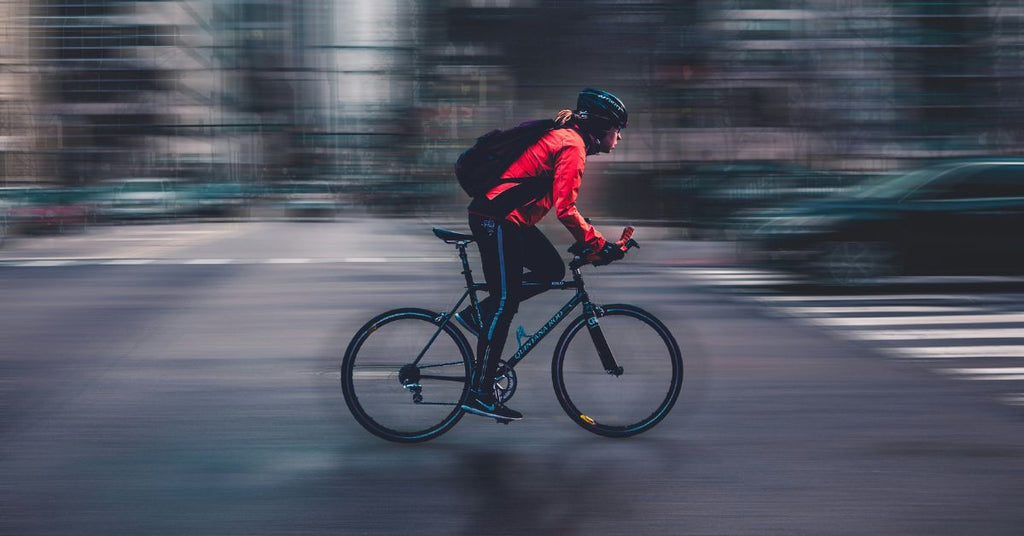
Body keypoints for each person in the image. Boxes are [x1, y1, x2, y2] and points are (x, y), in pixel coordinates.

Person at [455, 88, 631, 421]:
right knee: (506, 303)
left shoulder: (568, 140)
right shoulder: (572, 145)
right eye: (618, 128)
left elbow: (561, 203)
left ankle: (480, 315)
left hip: (508, 219)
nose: (619, 136)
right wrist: (597, 244)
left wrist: (590, 239)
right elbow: (565, 209)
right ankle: (480, 392)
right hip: (496, 218)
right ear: (603, 125)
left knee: (551, 270)